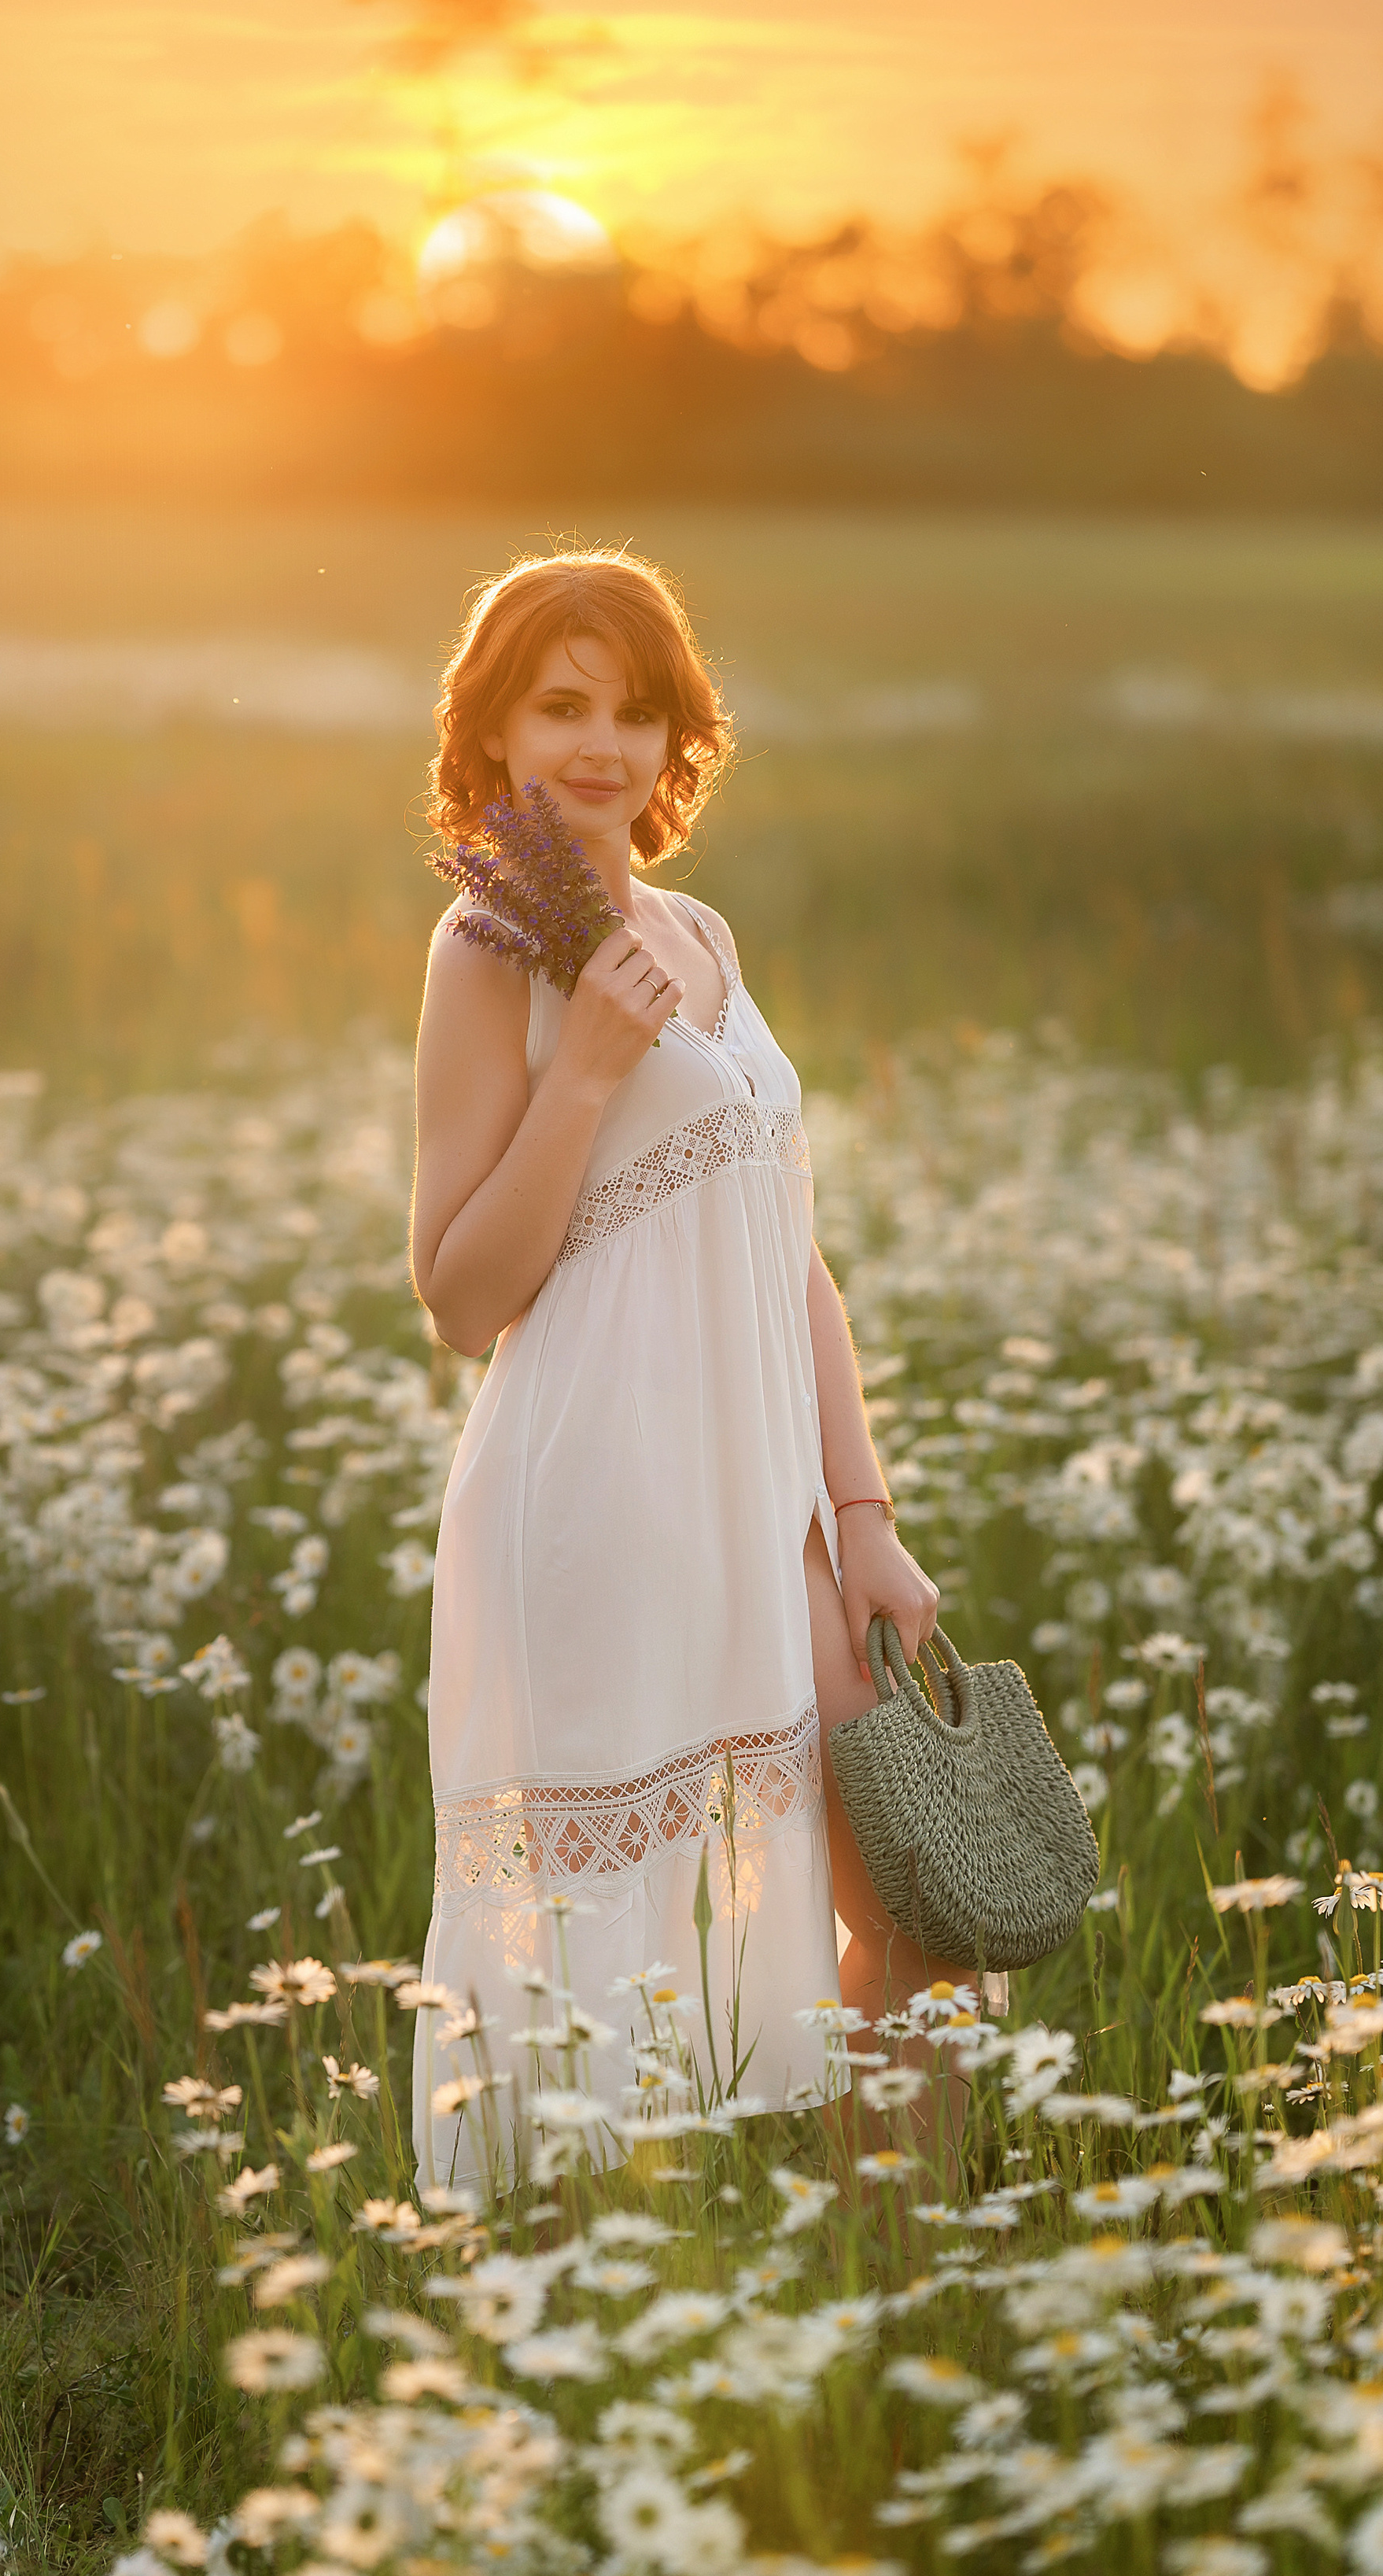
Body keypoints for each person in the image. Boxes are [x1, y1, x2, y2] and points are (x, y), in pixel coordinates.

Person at [407, 549, 987, 2198]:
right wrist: (581, 1068)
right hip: (602, 1497)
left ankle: (905, 2287)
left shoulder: (700, 932)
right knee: (610, 1939)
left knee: (920, 1898)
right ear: (497, 731)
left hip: (771, 1501)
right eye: (560, 705)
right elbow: (457, 1295)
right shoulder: (484, 950)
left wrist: (860, 1513)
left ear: (676, 742)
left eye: (635, 710)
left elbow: (783, 1247)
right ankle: (582, 2297)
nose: (600, 744)